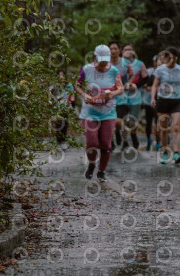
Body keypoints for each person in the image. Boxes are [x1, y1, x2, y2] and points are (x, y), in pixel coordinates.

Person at [75, 44, 124, 182]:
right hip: (90, 112)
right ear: (95, 57)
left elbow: (120, 88)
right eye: (101, 60)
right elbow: (77, 85)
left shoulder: (113, 71)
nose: (103, 63)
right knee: (92, 142)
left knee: (106, 144)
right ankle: (91, 164)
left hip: (108, 112)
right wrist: (84, 95)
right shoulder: (87, 69)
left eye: (105, 60)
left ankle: (101, 171)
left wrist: (112, 93)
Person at [151, 47, 180, 164]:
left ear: (176, 58)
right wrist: (153, 98)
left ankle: (176, 153)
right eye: (169, 57)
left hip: (176, 100)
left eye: (174, 58)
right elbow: (155, 85)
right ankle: (164, 152)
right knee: (164, 128)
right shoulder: (160, 70)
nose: (172, 60)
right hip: (163, 100)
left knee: (176, 127)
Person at [121, 43, 148, 150]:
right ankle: (124, 141)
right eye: (125, 49)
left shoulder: (140, 64)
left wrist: (136, 85)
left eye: (130, 49)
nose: (128, 51)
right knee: (123, 120)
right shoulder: (118, 63)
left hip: (135, 97)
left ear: (134, 51)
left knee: (132, 121)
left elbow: (146, 78)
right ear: (122, 51)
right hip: (121, 97)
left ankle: (133, 134)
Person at [109, 41, 132, 151]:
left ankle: (125, 140)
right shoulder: (106, 63)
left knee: (121, 120)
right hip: (109, 97)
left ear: (119, 50)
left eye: (115, 48)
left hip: (122, 97)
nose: (113, 51)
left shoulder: (125, 63)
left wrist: (129, 83)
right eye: (111, 49)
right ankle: (111, 141)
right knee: (109, 120)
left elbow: (132, 75)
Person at [50, 69, 75, 149]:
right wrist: (52, 99)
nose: (61, 77)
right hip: (57, 106)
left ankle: (64, 140)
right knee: (58, 123)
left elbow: (72, 96)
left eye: (62, 75)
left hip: (66, 106)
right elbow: (49, 94)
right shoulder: (54, 85)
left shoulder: (69, 85)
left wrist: (71, 99)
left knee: (65, 123)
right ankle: (59, 140)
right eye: (59, 75)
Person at [143, 55, 158, 151]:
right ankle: (149, 140)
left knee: (158, 122)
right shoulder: (148, 72)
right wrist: (154, 89)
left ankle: (158, 141)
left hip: (159, 102)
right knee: (148, 122)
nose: (157, 62)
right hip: (148, 100)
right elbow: (144, 85)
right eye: (155, 61)